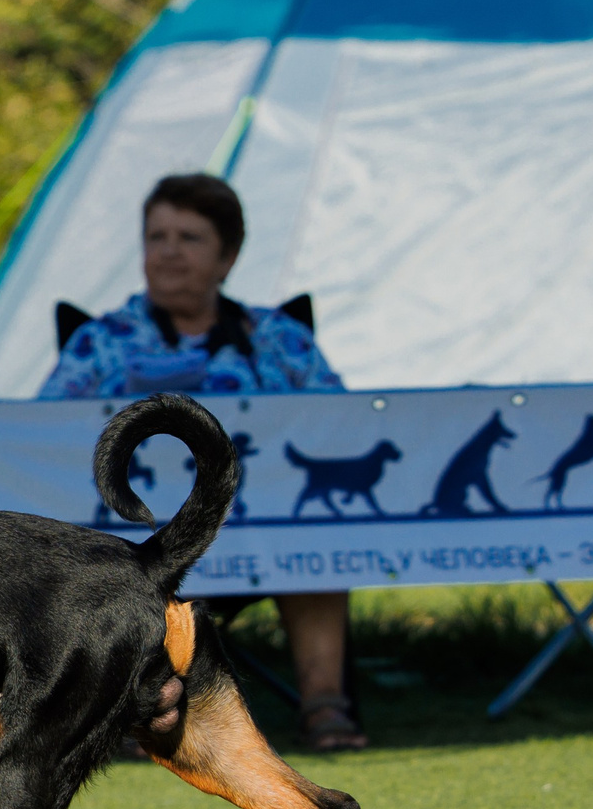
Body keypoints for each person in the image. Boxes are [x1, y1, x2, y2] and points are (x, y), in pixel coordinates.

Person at [39, 173, 368, 751]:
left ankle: (325, 706)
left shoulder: (278, 339)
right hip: (130, 532)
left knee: (316, 537)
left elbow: (336, 419)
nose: (168, 250)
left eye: (188, 238)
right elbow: (40, 437)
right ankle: (112, 710)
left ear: (228, 256)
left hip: (260, 530)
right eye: (156, 236)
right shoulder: (100, 342)